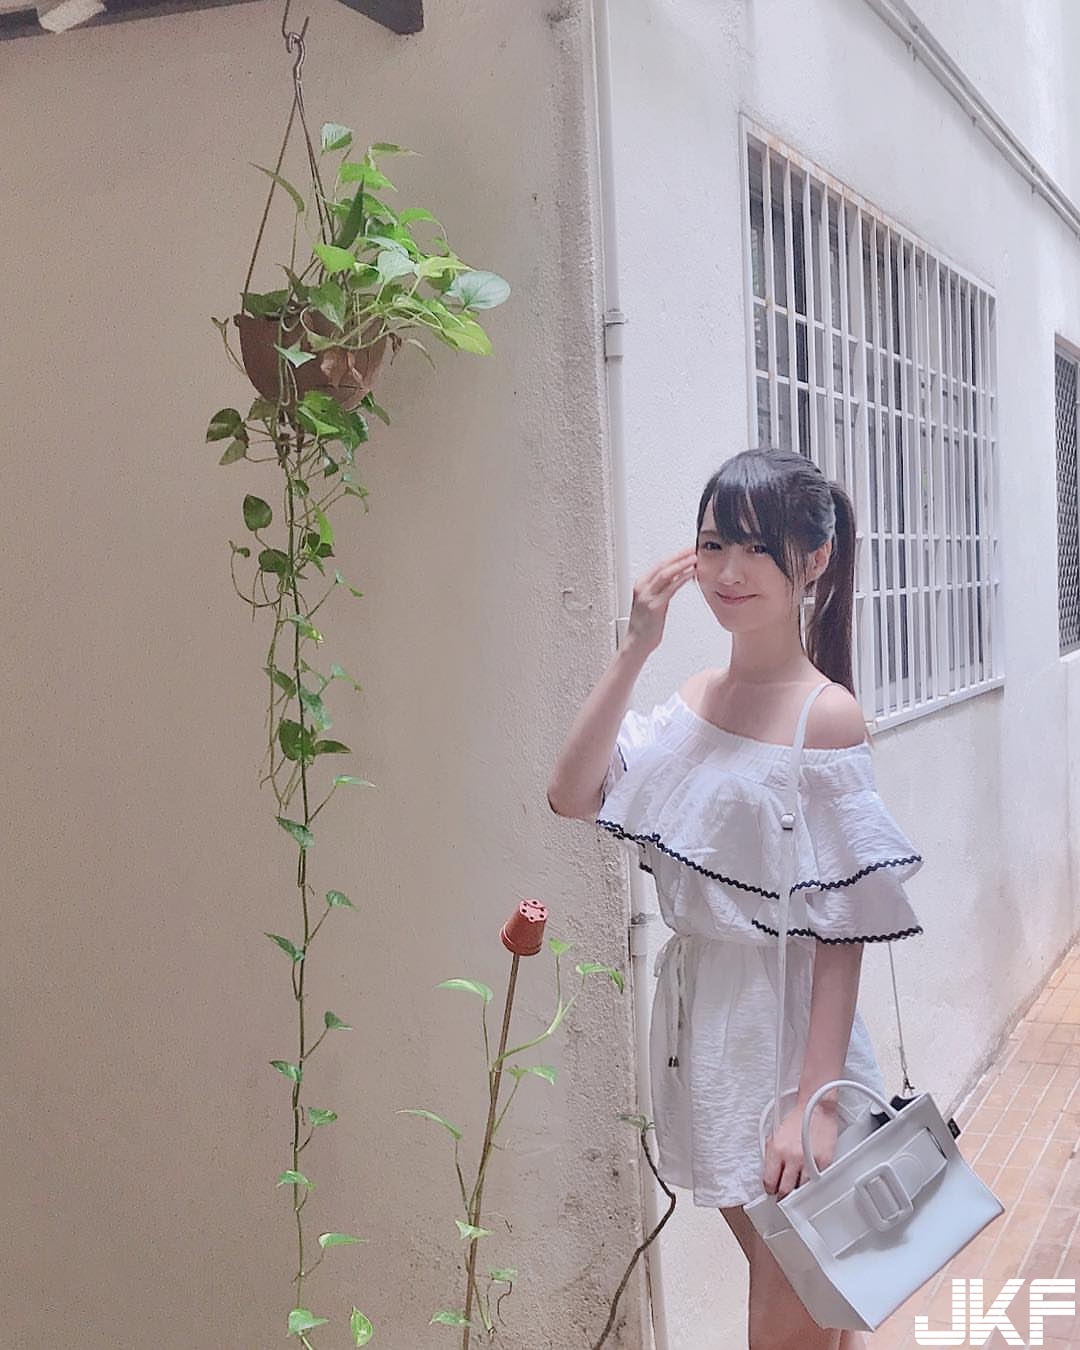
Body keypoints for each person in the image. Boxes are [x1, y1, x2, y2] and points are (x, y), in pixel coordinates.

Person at [547, 448, 925, 1350]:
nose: (728, 571)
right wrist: (635, 646)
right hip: (706, 1037)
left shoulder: (824, 715)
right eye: (714, 543)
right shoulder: (692, 701)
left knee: (792, 1316)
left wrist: (815, 1104)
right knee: (817, 1310)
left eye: (757, 547)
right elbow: (570, 792)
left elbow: (841, 930)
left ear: (814, 559)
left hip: (786, 1044)